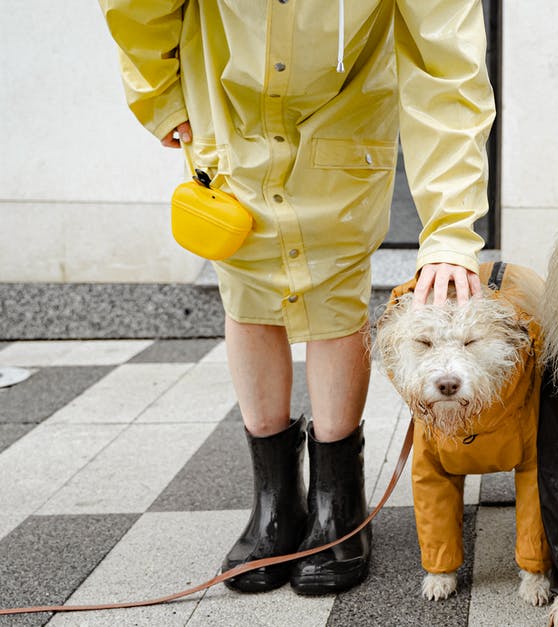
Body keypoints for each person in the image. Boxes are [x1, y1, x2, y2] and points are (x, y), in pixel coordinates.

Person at [99, 0, 494, 595]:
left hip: (345, 108)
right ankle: (274, 500)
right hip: (227, 103)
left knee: (336, 287)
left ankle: (339, 501)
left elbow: (449, 65)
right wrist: (160, 90)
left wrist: (450, 229)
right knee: (246, 280)